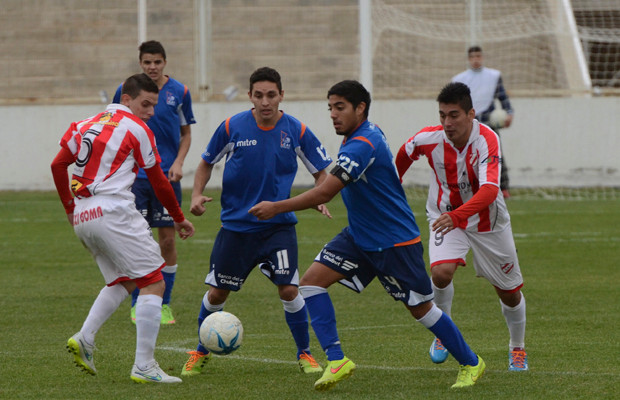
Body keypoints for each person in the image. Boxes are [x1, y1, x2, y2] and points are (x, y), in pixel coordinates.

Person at [249, 80, 485, 391]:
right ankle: (337, 360)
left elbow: (326, 193)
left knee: (421, 309)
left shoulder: (363, 144)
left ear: (360, 108)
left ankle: (471, 362)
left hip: (393, 241)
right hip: (360, 236)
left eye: (340, 107)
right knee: (309, 283)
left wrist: (276, 207)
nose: (333, 114)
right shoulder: (361, 134)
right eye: (330, 108)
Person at [182, 66, 332, 377]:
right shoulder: (231, 127)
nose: (265, 102)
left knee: (290, 290)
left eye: (271, 95)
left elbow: (322, 174)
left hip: (278, 228)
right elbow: (206, 163)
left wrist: (319, 197)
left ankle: (305, 353)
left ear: (281, 96)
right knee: (217, 294)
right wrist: (196, 195)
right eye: (259, 95)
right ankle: (199, 349)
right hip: (236, 229)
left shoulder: (297, 131)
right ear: (250, 96)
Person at [51, 73, 195, 383]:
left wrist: (69, 207)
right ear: (126, 99)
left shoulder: (84, 124)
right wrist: (178, 217)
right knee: (155, 282)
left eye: (154, 105)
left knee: (125, 280)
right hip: (113, 211)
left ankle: (85, 338)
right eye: (146, 104)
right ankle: (144, 366)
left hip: (84, 216)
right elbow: (159, 180)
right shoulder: (137, 128)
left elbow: (57, 164)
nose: (151, 112)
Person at [395, 82, 528, 372]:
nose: (447, 122)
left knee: (509, 292)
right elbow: (403, 155)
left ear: (471, 114)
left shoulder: (487, 140)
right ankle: (444, 332)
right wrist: (393, 190)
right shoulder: (428, 138)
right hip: (445, 216)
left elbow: (491, 190)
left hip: (488, 222)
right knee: (440, 273)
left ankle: (517, 348)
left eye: (454, 115)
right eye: (442, 115)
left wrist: (457, 216)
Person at [113, 40, 196, 325]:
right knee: (138, 241)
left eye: (157, 62)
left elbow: (186, 134)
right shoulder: (126, 90)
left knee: (168, 240)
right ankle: (138, 303)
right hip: (135, 180)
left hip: (166, 177)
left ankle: (164, 304)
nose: (152, 67)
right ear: (140, 63)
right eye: (147, 62)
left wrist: (178, 162)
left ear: (164, 62)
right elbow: (115, 129)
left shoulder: (180, 92)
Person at [452, 45, 514, 198]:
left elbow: (502, 97)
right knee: (466, 154)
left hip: (488, 121)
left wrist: (509, 113)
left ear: (482, 57)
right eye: (472, 57)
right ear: (468, 59)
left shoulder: (493, 76)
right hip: (468, 123)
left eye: (478, 56)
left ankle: (503, 187)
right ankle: (466, 186)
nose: (475, 60)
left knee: (495, 153)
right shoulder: (459, 79)